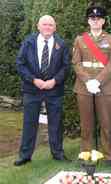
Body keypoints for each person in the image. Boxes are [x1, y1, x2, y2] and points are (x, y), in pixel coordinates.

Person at [14, 15, 70, 166]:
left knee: (56, 123)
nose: (47, 27)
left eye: (50, 25)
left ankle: (57, 153)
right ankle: (25, 155)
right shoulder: (28, 42)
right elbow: (20, 64)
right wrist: (33, 80)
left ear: (55, 27)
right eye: (44, 24)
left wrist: (54, 81)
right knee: (29, 122)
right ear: (38, 26)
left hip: (54, 90)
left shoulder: (62, 44)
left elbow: (66, 67)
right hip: (32, 89)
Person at [72, 5, 111, 166]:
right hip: (84, 87)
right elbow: (76, 63)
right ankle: (86, 154)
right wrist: (88, 81)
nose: (95, 21)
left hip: (105, 87)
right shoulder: (79, 40)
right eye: (92, 18)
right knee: (86, 124)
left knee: (106, 123)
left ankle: (109, 155)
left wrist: (98, 81)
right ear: (88, 21)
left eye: (98, 18)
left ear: (103, 21)